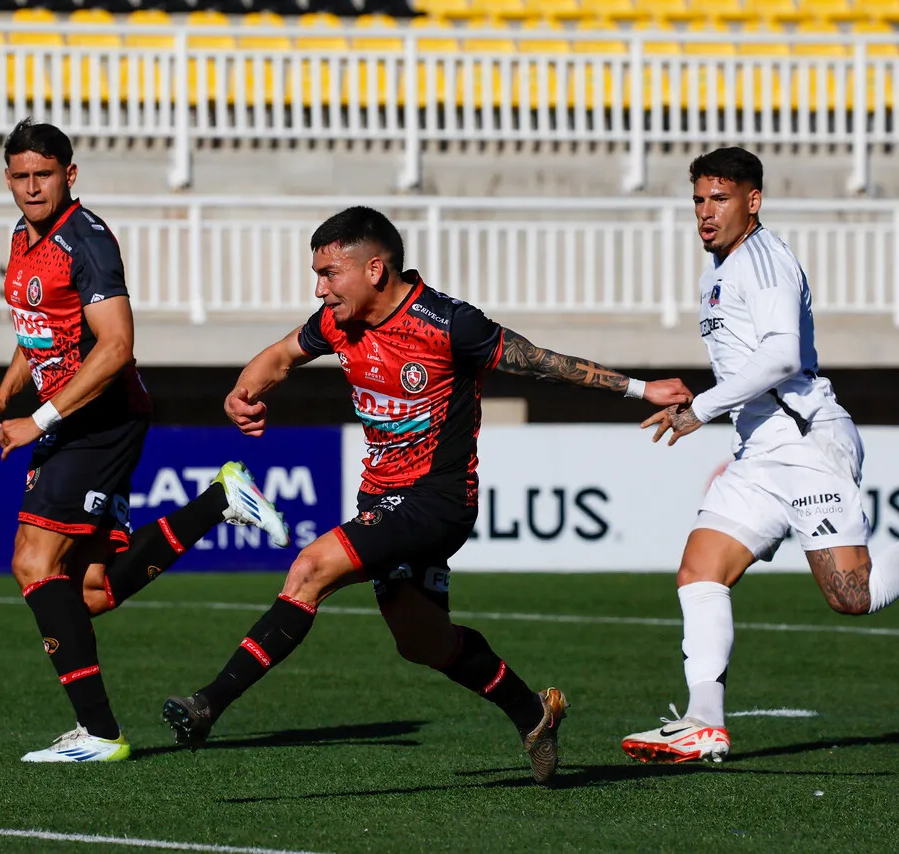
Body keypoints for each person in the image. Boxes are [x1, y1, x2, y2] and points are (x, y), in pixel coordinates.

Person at [160, 206, 693, 784]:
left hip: (439, 501)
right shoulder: (340, 320)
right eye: (316, 274)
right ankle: (532, 711)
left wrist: (640, 388)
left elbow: (539, 362)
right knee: (421, 640)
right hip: (381, 499)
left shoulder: (449, 323)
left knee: (310, 568)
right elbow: (282, 355)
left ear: (375, 269)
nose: (320, 288)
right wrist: (243, 391)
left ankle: (207, 704)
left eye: (329, 273)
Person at [0, 118, 290, 763]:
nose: (33, 187)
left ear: (70, 175)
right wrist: (7, 393)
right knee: (88, 592)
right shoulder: (22, 236)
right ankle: (219, 501)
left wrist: (38, 419)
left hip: (99, 421)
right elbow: (40, 330)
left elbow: (116, 348)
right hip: (72, 418)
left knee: (33, 562)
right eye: (22, 176)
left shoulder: (85, 240)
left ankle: (98, 734)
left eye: (45, 175)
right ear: (7, 179)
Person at [621, 147, 899, 764]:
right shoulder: (717, 270)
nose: (705, 212)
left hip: (804, 444)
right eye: (698, 200)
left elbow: (780, 359)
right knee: (700, 573)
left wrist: (702, 409)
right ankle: (703, 721)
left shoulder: (765, 261)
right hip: (757, 452)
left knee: (853, 597)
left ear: (754, 201)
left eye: (719, 199)